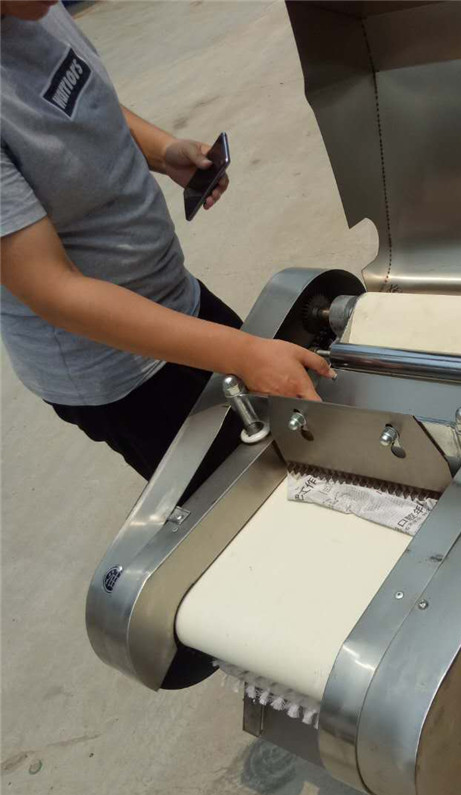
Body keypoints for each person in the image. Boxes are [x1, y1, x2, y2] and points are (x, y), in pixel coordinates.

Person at [0, 1, 333, 487]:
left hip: (173, 295)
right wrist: (243, 354)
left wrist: (162, 150)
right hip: (119, 370)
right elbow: (55, 291)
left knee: (290, 427)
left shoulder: (31, 10)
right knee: (246, 486)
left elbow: (78, 97)